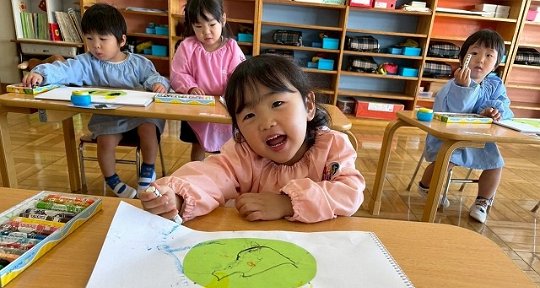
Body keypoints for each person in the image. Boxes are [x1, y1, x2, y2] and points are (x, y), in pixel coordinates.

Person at [140, 54, 365, 223]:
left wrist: (287, 203)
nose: (266, 123)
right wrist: (178, 196)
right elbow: (211, 176)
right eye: (249, 115)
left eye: (277, 103)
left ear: (308, 105)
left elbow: (349, 193)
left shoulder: (332, 146)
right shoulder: (243, 154)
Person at [22, 4, 170, 199]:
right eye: (90, 39)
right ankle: (112, 180)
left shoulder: (139, 63)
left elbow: (154, 77)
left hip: (139, 116)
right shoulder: (86, 62)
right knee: (105, 142)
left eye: (103, 39)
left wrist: (158, 85)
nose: (96, 45)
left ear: (122, 40)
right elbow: (64, 69)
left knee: (149, 128)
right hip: (108, 118)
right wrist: (41, 73)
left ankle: (148, 170)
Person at [418, 29, 513, 223]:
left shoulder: (495, 84)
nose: (481, 60)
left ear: (496, 63)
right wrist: (463, 88)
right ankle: (426, 187)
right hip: (448, 137)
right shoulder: (455, 83)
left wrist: (495, 111)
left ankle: (482, 201)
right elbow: (458, 110)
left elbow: (505, 107)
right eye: (474, 53)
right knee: (447, 160)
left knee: (496, 165)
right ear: (463, 58)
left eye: (489, 56)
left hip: (479, 139)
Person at [170, 0, 245, 161]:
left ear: (223, 19)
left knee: (227, 147)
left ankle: (224, 174)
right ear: (191, 25)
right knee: (198, 144)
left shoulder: (232, 47)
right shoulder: (187, 46)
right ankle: (196, 174)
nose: (206, 32)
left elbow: (239, 76)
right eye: (199, 26)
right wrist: (190, 87)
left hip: (223, 106)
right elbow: (178, 73)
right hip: (196, 106)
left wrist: (230, 92)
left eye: (212, 25)